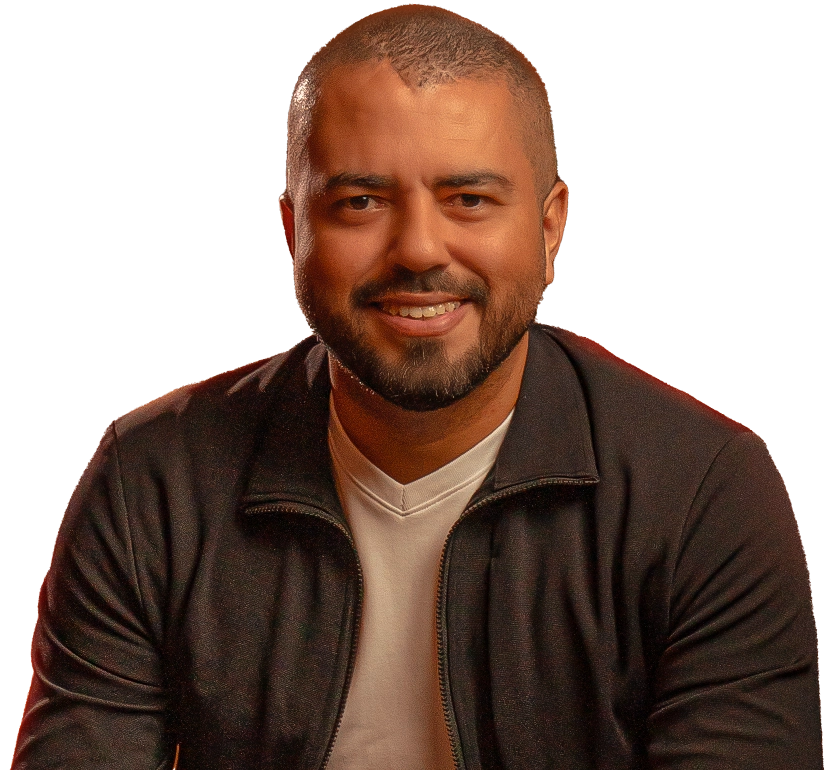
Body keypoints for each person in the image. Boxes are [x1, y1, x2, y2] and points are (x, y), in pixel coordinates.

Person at [12, 5, 822, 769]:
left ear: (550, 228)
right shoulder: (151, 483)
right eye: (361, 202)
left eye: (468, 199)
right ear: (292, 230)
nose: (418, 250)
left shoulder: (701, 491)